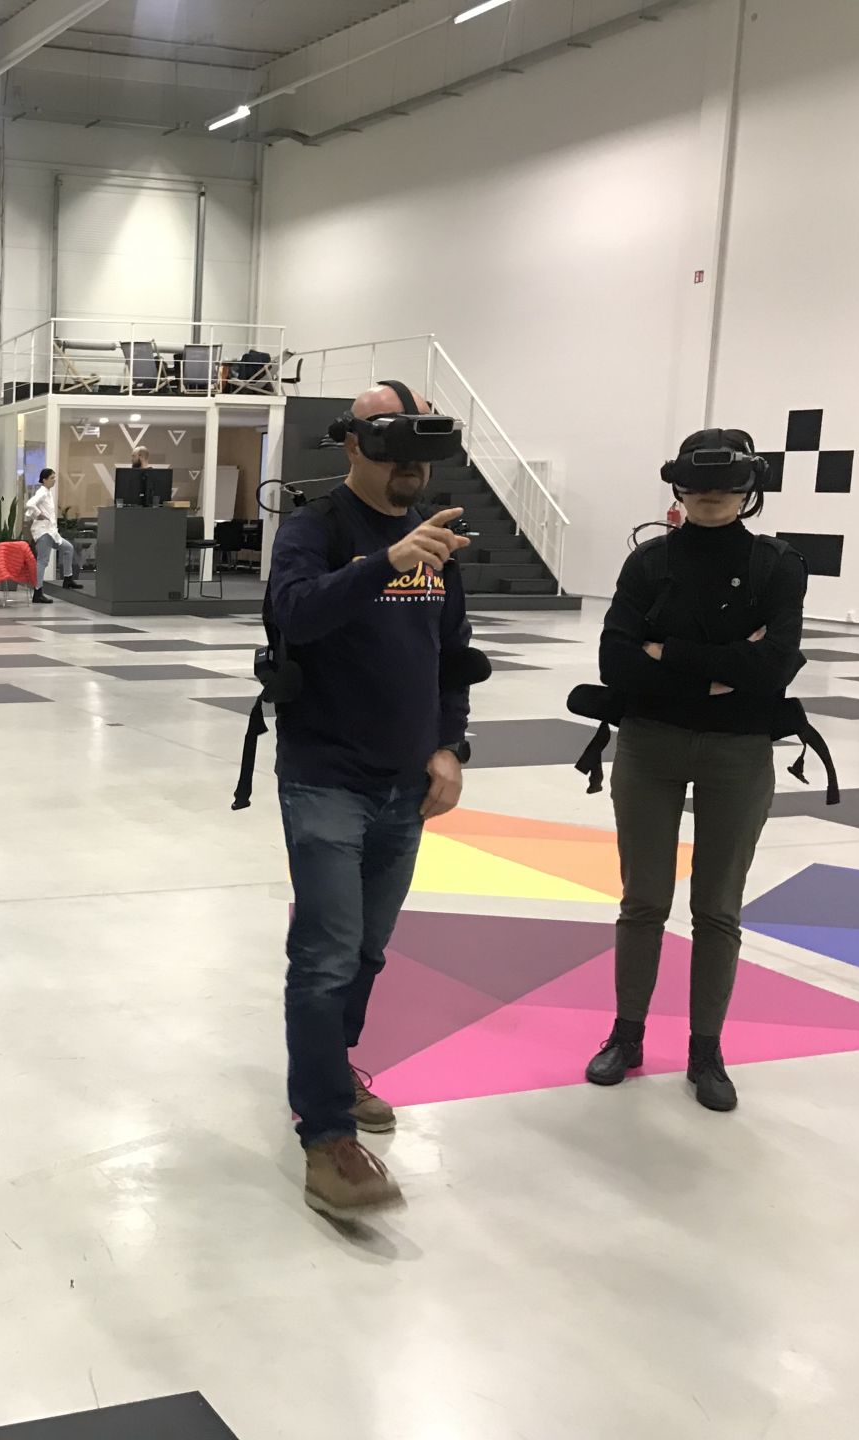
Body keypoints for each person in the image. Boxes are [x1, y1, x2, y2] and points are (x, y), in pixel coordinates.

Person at [267, 381, 476, 1218]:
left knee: (366, 952)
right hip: (325, 775)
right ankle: (326, 1137)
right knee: (324, 955)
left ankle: (336, 1070)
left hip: (404, 781)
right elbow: (293, 614)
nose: (409, 471)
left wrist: (450, 744)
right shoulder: (314, 530)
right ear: (352, 445)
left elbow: (453, 654)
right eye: (393, 450)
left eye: (422, 454)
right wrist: (382, 564)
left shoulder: (438, 539)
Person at [584, 430, 806, 1111]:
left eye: (727, 481)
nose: (711, 493)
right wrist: (720, 670)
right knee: (643, 899)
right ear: (677, 484)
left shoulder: (777, 565)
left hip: (738, 751)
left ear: (751, 487)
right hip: (649, 745)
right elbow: (615, 662)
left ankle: (706, 1049)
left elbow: (775, 667)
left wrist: (665, 655)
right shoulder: (649, 563)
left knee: (717, 908)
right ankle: (627, 1034)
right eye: (698, 480)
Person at [25, 467, 81, 603]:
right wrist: (39, 514)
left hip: (51, 532)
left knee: (68, 548)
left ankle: (67, 579)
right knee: (42, 561)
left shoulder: (47, 493)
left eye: (54, 478)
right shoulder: (42, 492)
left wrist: (39, 514)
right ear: (44, 480)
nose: (54, 480)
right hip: (44, 532)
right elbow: (29, 504)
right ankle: (38, 592)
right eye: (51, 478)